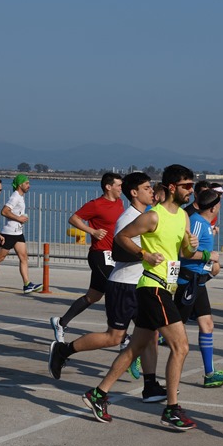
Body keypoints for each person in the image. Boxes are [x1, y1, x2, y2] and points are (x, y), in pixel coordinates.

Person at [81, 164, 199, 430]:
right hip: (152, 287)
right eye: (186, 186)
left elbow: (184, 254)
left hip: (165, 287)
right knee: (181, 347)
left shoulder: (183, 217)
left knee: (136, 347)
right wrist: (144, 255)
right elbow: (121, 237)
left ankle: (98, 394)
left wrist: (190, 248)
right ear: (172, 187)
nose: (191, 191)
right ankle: (171, 409)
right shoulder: (153, 217)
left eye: (192, 185)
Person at [49, 172, 167, 402]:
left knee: (151, 335)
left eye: (151, 187)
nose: (151, 191)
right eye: (146, 188)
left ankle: (151, 385)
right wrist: (146, 256)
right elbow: (119, 252)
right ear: (134, 193)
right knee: (114, 337)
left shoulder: (145, 215)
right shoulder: (128, 218)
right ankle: (64, 350)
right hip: (124, 285)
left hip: (141, 284)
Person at [50, 172, 123, 342]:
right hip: (99, 254)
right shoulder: (96, 204)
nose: (121, 188)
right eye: (119, 185)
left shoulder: (119, 203)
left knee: (93, 296)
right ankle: (120, 334)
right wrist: (92, 231)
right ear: (108, 186)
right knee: (115, 291)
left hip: (113, 255)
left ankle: (61, 322)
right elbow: (73, 219)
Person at [174, 188, 223, 388]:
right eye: (219, 203)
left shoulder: (206, 224)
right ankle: (137, 353)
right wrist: (211, 257)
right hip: (188, 282)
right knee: (171, 328)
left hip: (198, 282)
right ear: (214, 206)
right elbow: (184, 253)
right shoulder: (198, 223)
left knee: (207, 325)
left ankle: (209, 374)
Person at [0, 174, 42, 294]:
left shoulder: (21, 197)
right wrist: (19, 219)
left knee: (24, 257)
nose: (29, 186)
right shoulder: (15, 196)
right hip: (9, 233)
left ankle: (27, 284)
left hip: (18, 232)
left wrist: (21, 218)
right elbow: (4, 211)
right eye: (27, 183)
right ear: (20, 185)